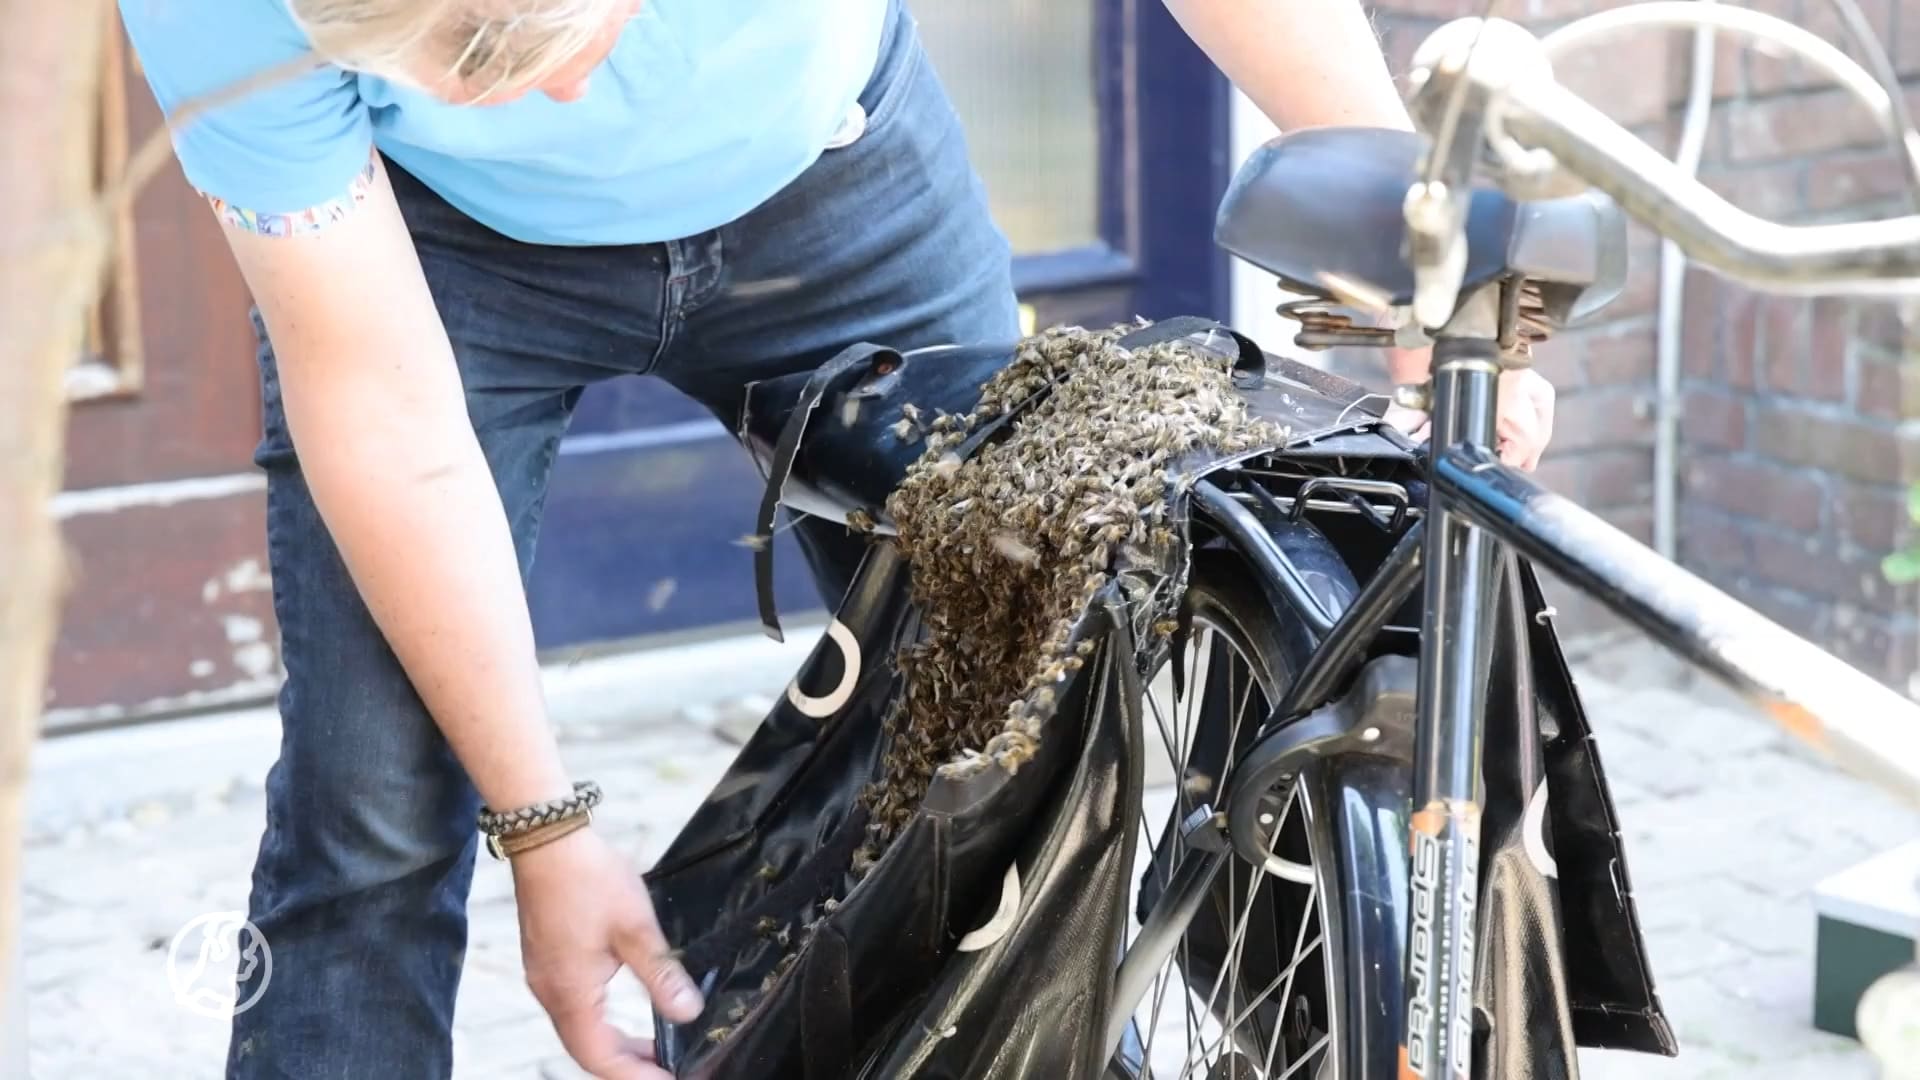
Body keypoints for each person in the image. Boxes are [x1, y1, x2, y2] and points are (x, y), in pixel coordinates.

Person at [115, 1, 1557, 1077]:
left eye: (559, 25)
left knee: (1009, 721)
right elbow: (383, 408)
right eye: (465, 64)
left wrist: (1404, 237)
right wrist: (544, 823)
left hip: (834, 175)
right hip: (439, 256)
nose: (556, 93)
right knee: (368, 816)